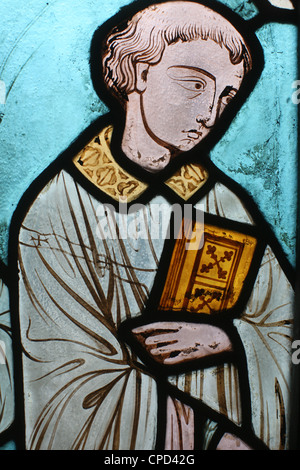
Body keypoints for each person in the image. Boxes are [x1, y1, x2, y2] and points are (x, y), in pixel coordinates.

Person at [15, 1, 294, 450]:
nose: (210, 113)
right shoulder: (57, 210)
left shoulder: (225, 204)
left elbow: (283, 327)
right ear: (137, 72)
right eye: (193, 84)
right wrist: (211, 438)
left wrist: (226, 339)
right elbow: (67, 382)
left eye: (225, 95)